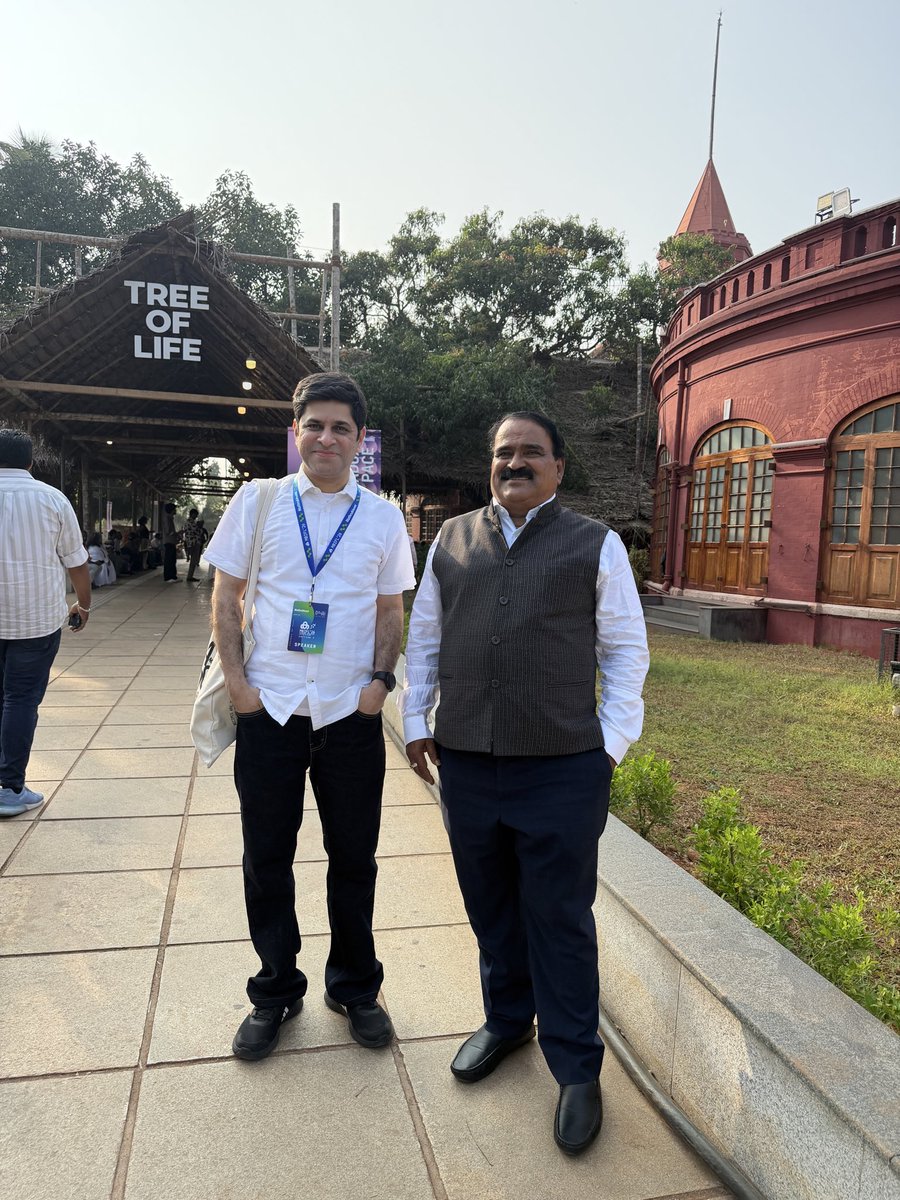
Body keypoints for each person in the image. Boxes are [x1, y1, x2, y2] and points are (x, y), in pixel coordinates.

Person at [401, 411, 649, 1156]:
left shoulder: (594, 544)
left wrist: (608, 747)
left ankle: (576, 1067)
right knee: (490, 906)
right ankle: (508, 1021)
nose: (515, 462)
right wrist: (417, 718)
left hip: (564, 767)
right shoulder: (451, 539)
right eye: (503, 453)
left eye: (530, 452)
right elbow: (425, 635)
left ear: (558, 467)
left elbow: (626, 650)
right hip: (469, 760)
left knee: (561, 918)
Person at [203, 371, 416, 1061]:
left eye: (341, 428)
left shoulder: (383, 517)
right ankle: (275, 989)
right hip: (271, 710)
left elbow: (391, 608)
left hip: (348, 715)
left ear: (360, 440)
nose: (327, 437)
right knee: (267, 858)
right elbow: (227, 595)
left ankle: (354, 987)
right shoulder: (258, 502)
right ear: (297, 433)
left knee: (354, 858)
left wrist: (379, 687)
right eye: (315, 425)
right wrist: (240, 689)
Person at [0, 428, 93, 816]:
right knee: (20, 700)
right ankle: (9, 788)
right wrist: (83, 606)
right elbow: (76, 561)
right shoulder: (52, 499)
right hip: (34, 622)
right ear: (31, 462)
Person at [182, 508, 204, 583]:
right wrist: (200, 526)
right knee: (194, 559)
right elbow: (198, 531)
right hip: (194, 542)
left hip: (191, 542)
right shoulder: (191, 522)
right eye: (196, 515)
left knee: (193, 560)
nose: (196, 516)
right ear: (193, 514)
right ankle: (190, 576)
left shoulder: (189, 522)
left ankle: (190, 575)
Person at [162, 502, 179, 581]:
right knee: (169, 559)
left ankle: (172, 575)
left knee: (172, 559)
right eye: (174, 509)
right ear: (171, 510)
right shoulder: (167, 518)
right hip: (168, 541)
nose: (175, 510)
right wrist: (177, 533)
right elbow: (168, 531)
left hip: (171, 541)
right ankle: (168, 576)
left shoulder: (170, 518)